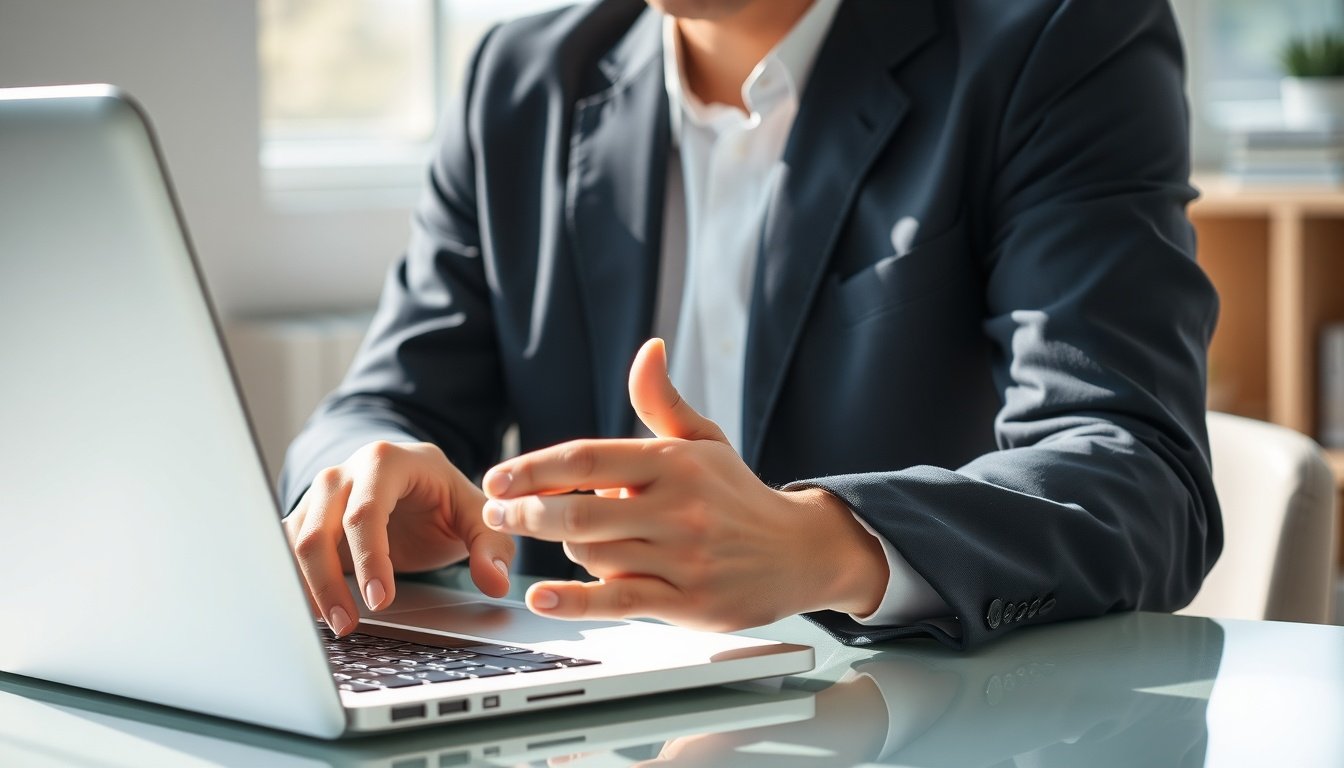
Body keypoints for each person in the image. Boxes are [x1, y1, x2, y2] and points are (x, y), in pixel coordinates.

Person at [279, 0, 1222, 651]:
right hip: (573, 716)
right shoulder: (521, 82)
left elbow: (1133, 467)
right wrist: (364, 477)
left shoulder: (1058, 40)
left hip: (915, 720)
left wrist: (826, 544)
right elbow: (383, 401)